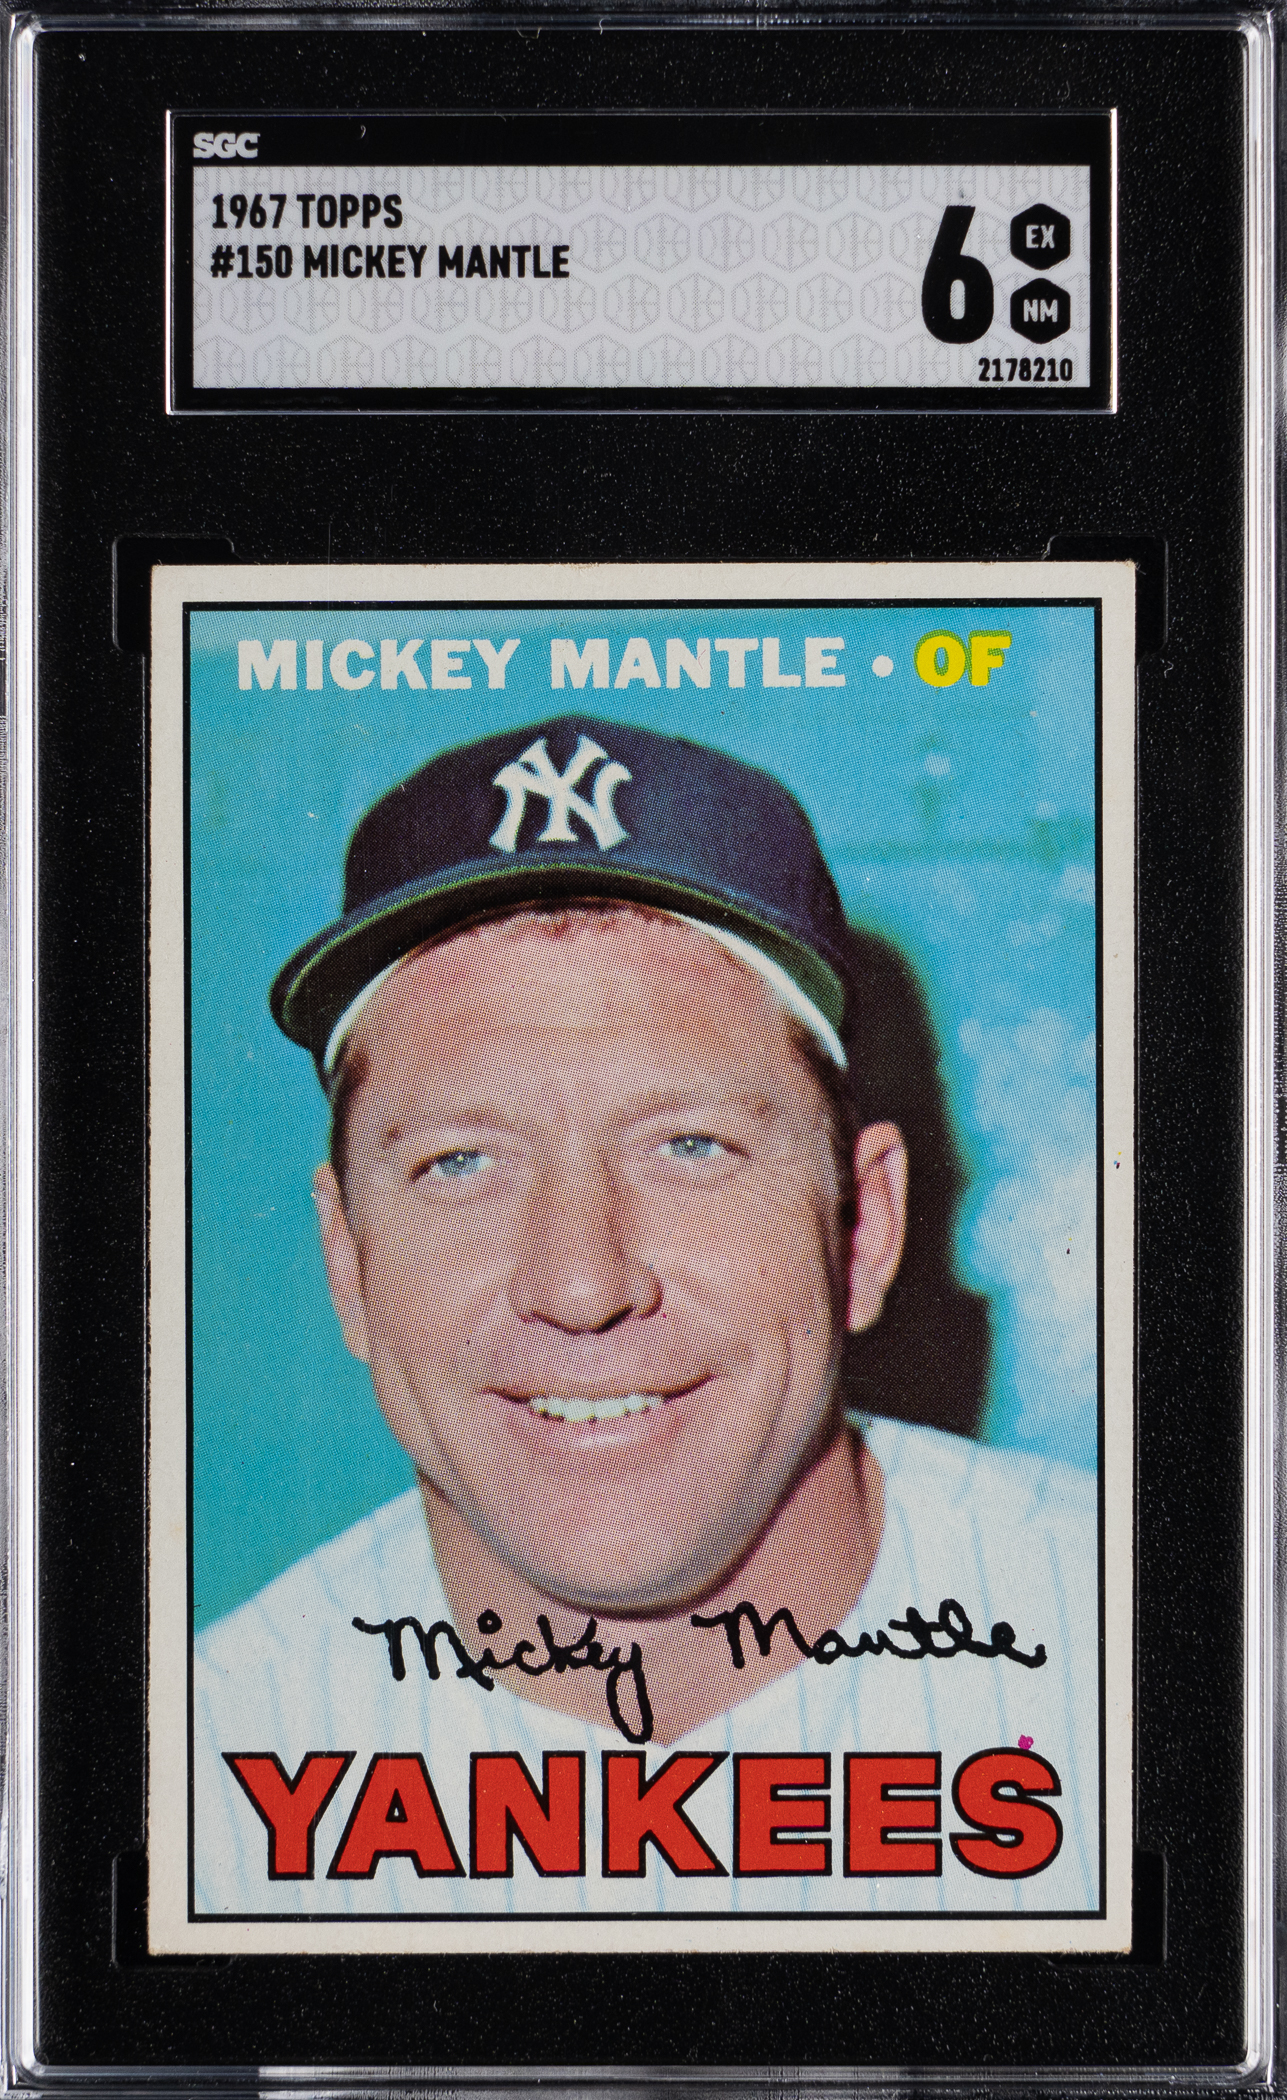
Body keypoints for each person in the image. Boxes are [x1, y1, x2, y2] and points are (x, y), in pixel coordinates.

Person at [193, 717, 1098, 1919]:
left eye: (691, 1146)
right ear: (347, 1259)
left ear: (863, 1228)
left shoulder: (1178, 1679)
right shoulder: (194, 1794)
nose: (582, 1285)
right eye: (461, 1162)